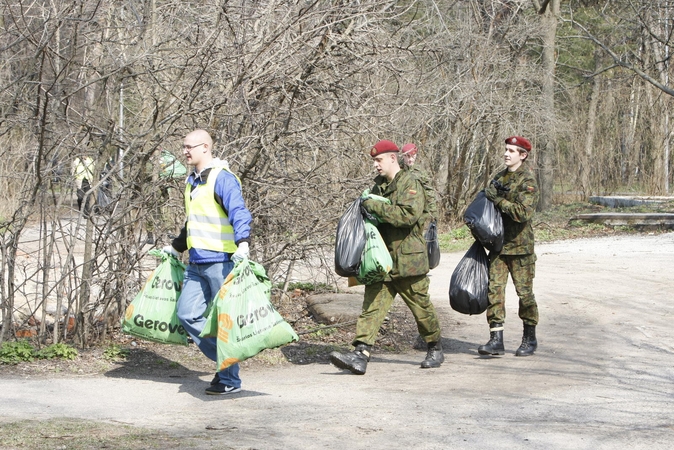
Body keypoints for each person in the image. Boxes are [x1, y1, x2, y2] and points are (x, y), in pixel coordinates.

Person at [329, 139, 444, 375]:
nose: (376, 166)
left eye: (379, 160)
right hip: (380, 260)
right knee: (372, 307)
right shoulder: (377, 187)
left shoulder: (410, 182)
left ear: (393, 158)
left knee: (421, 307)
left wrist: (373, 206)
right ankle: (360, 354)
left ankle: (434, 346)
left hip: (408, 261)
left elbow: (407, 216)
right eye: (374, 161)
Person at [162, 129, 252, 394]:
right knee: (187, 314)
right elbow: (194, 221)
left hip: (220, 261)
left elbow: (239, 211)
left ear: (205, 147)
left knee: (222, 322)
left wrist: (243, 242)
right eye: (183, 147)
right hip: (196, 262)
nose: (185, 152)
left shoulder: (221, 178)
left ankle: (229, 379)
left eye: (189, 147)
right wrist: (177, 247)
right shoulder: (192, 181)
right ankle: (228, 362)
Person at [479, 135, 540, 357]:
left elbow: (522, 213)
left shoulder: (528, 182)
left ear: (522, 156)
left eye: (512, 151)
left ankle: (529, 338)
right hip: (498, 246)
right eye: (506, 149)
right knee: (494, 293)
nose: (506, 154)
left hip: (520, 248)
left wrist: (498, 201)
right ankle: (496, 339)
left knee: (524, 295)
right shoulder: (499, 177)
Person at [400, 143, 438, 219]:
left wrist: (433, 213)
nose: (410, 160)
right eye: (407, 156)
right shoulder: (396, 169)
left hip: (415, 210)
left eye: (413, 157)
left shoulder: (420, 172)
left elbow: (429, 192)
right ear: (403, 156)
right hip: (399, 209)